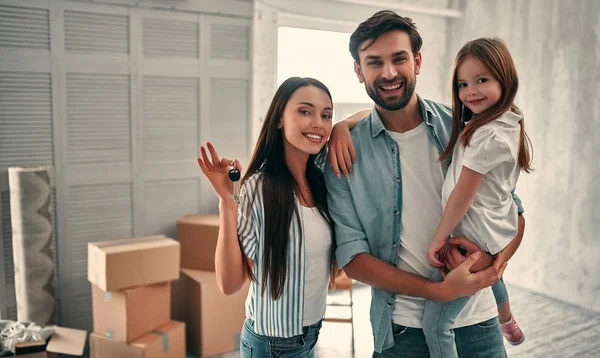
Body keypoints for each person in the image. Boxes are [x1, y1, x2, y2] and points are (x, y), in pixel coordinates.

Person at [324, 10, 526, 357]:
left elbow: (514, 214)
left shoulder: (464, 127)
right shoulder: (343, 153)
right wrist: (436, 292)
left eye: (398, 58)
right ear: (359, 71)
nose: (388, 73)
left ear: (417, 61)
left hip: (481, 326)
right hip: (401, 335)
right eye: (374, 62)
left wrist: (493, 264)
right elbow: (352, 258)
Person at [196, 77, 336, 358]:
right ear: (280, 119)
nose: (318, 123)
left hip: (311, 334)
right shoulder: (260, 188)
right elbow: (229, 283)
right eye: (305, 111)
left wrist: (342, 129)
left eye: (327, 115)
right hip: (273, 344)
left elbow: (366, 118)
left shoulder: (321, 177)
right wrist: (227, 203)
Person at [421, 37, 532, 358]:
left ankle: (506, 318)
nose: (471, 91)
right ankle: (507, 318)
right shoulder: (506, 121)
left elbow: (463, 194)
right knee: (491, 271)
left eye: (482, 80)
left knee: (435, 325)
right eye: (463, 83)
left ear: (505, 78)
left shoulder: (488, 135)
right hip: (490, 232)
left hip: (475, 235)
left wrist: (438, 239)